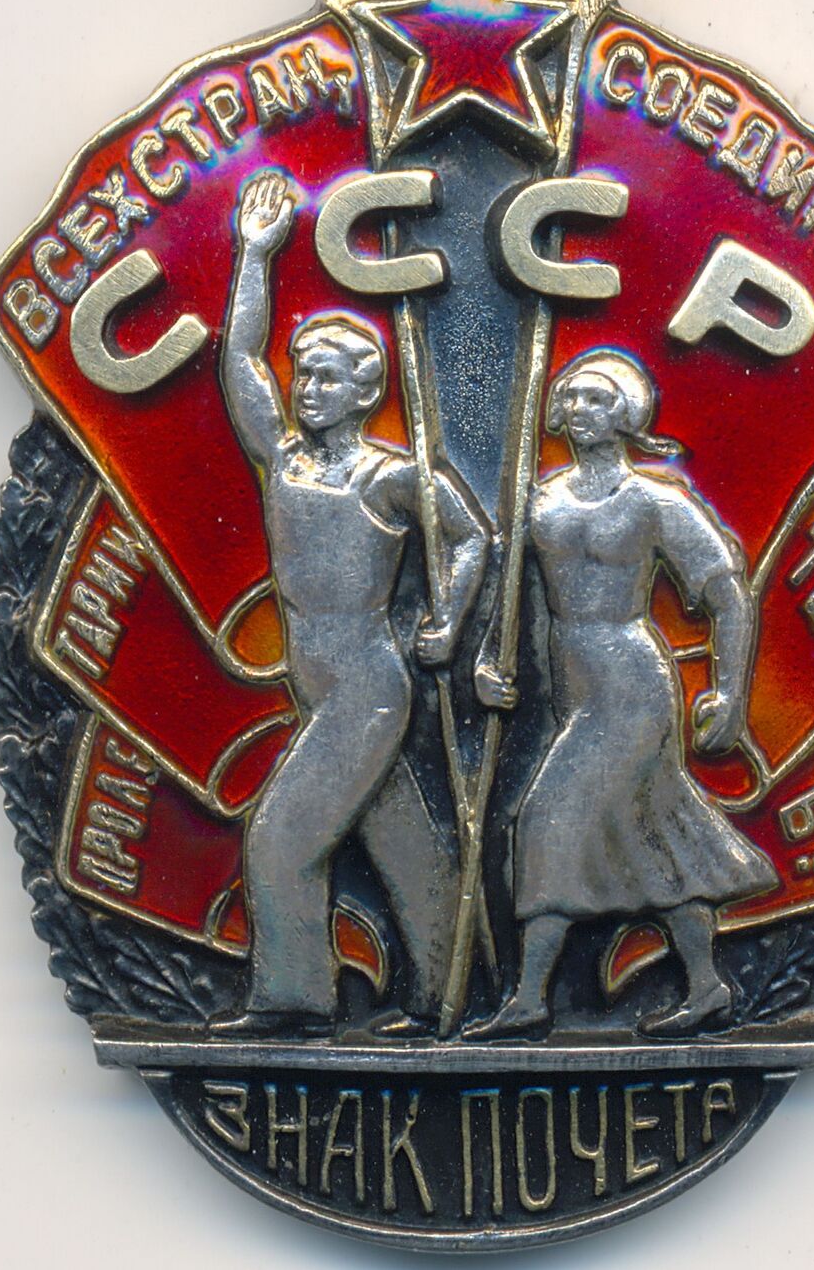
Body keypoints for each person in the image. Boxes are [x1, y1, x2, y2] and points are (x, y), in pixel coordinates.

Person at [216, 170, 489, 1037]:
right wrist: (254, 255)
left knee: (281, 837)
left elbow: (473, 536)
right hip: (319, 683)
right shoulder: (283, 460)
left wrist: (449, 619)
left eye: (328, 378)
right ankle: (453, 992)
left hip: (368, 688)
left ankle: (295, 999)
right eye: (304, 374)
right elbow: (239, 361)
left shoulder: (392, 476)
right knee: (401, 840)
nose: (306, 388)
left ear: (366, 392)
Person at [467, 348, 776, 1040]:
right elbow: (509, 600)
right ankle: (707, 985)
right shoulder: (538, 500)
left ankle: (529, 997)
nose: (581, 410)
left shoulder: (654, 501)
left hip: (631, 683)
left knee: (546, 819)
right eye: (572, 397)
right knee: (651, 828)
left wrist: (730, 695)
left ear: (627, 414)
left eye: (598, 399)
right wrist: (490, 661)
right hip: (570, 683)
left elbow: (727, 592)